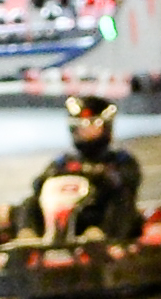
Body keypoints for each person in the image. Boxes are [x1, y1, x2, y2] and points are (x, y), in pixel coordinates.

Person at [39, 88, 143, 240]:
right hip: (71, 216)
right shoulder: (64, 161)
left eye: (92, 125)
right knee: (29, 203)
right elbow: (38, 185)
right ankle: (27, 234)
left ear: (106, 127)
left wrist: (103, 176)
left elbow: (129, 183)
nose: (86, 130)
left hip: (100, 216)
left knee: (123, 197)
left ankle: (102, 236)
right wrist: (55, 177)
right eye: (82, 126)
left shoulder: (120, 159)